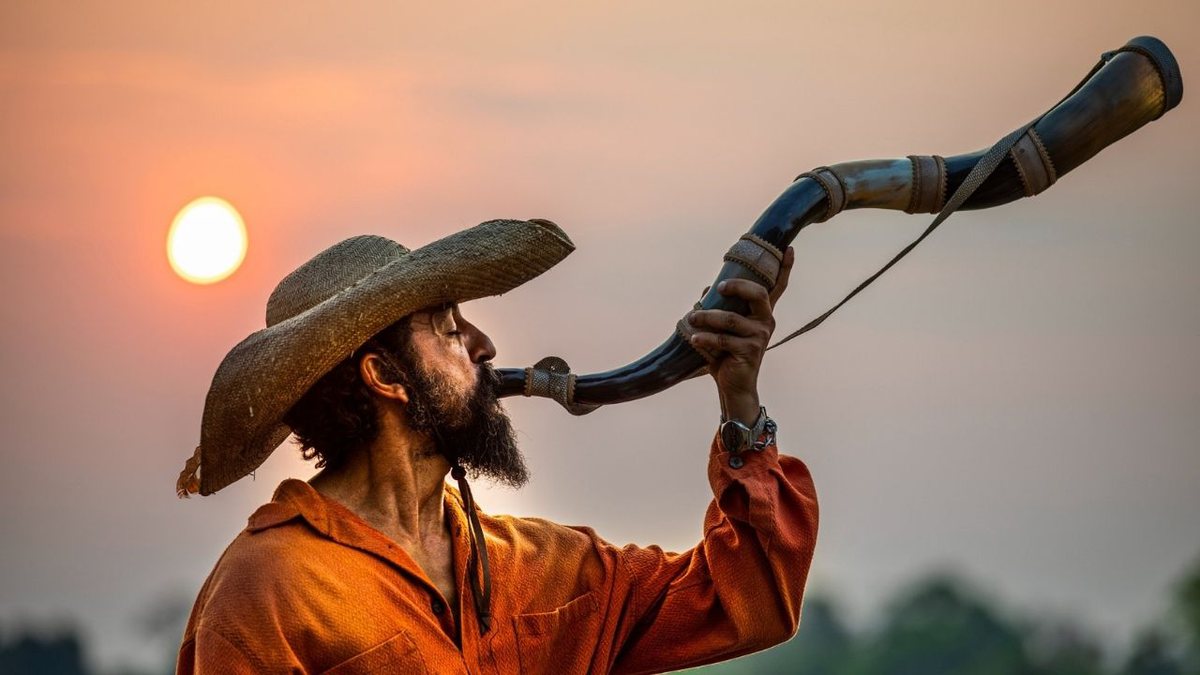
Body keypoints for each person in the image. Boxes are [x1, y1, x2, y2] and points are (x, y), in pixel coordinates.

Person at [175, 218, 818, 674]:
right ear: (385, 376)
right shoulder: (267, 593)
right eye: (449, 329)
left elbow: (749, 601)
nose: (484, 347)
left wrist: (740, 402)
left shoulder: (538, 568)